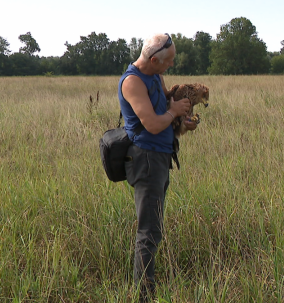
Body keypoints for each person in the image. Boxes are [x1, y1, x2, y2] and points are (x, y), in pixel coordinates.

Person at [117, 33, 196, 301]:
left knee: (154, 227)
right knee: (149, 231)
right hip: (146, 160)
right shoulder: (132, 82)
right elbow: (152, 123)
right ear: (153, 59)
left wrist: (183, 121)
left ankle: (147, 286)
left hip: (160, 157)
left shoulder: (155, 77)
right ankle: (145, 295)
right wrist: (174, 113)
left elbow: (165, 110)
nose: (171, 66)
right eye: (168, 61)